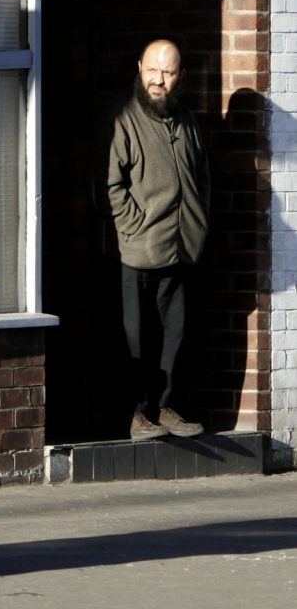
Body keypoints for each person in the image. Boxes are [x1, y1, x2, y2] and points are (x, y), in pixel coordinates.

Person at [96, 39, 210, 442]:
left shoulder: (185, 120)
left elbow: (201, 178)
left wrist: (197, 225)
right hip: (136, 251)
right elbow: (109, 185)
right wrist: (132, 227)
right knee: (135, 338)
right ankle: (135, 413)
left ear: (181, 76)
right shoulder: (123, 118)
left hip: (179, 248)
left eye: (169, 72)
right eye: (153, 71)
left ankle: (164, 408)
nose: (159, 81)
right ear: (139, 67)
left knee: (174, 335)